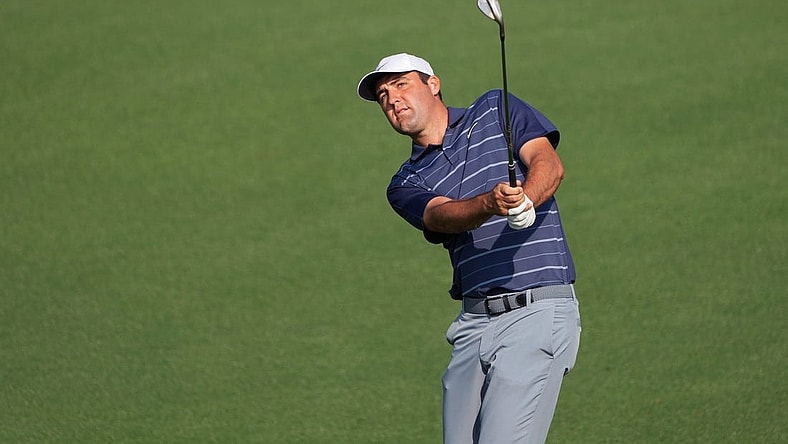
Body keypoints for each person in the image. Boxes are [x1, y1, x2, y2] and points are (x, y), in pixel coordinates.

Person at [357, 53, 582, 444]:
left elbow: (548, 163)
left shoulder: (496, 108)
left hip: (534, 312)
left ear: (433, 84)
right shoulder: (405, 182)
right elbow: (441, 217)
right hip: (473, 326)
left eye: (401, 84)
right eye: (382, 95)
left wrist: (525, 200)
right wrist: (490, 204)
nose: (391, 99)